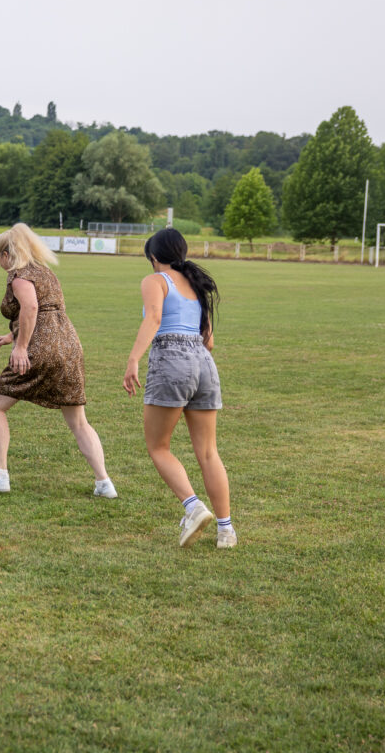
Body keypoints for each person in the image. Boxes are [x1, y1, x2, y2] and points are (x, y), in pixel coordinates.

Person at [0, 223, 116, 497]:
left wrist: (21, 347)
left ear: (7, 255)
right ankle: (104, 483)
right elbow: (48, 312)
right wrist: (12, 336)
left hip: (41, 349)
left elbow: (32, 307)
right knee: (78, 421)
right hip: (68, 346)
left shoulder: (20, 276)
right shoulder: (45, 272)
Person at [122, 228, 235, 548]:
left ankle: (193, 507)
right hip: (204, 364)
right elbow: (209, 341)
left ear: (154, 257)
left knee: (159, 447)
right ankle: (226, 531)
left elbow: (154, 318)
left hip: (171, 359)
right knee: (209, 452)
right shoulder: (197, 286)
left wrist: (133, 359)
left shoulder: (155, 280)